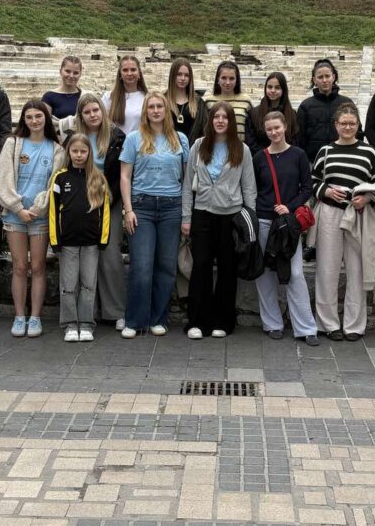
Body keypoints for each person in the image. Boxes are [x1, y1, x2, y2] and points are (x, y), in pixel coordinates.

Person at [311, 102, 375, 341]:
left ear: (358, 125)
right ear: (336, 125)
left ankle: (354, 326)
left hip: (358, 215)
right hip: (330, 213)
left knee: (356, 270)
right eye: (343, 123)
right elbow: (312, 181)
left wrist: (366, 198)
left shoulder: (368, 152)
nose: (347, 127)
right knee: (327, 269)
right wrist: (325, 191)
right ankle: (328, 324)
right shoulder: (325, 151)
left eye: (351, 123)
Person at [182, 101, 256, 339]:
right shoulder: (198, 146)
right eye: (216, 117)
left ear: (231, 121)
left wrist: (249, 221)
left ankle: (223, 321)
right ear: (210, 120)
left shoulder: (241, 149)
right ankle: (197, 321)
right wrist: (186, 217)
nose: (220, 121)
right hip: (203, 213)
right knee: (201, 266)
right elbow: (186, 185)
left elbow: (249, 188)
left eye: (225, 117)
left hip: (230, 216)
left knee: (227, 269)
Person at [119, 91, 189, 338]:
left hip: (171, 206)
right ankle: (135, 320)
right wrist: (128, 210)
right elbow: (125, 176)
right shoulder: (134, 138)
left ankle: (158, 318)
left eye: (160, 106)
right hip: (142, 207)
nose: (156, 110)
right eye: (152, 107)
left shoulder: (179, 139)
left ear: (166, 110)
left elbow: (186, 177)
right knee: (141, 264)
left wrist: (186, 213)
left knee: (167, 265)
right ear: (145, 111)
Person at [0, 100, 63, 338]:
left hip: (40, 216)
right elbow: (2, 178)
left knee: (38, 266)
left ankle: (35, 317)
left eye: (38, 116)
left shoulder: (56, 148)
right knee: (20, 266)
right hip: (15, 215)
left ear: (46, 118)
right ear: (23, 120)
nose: (34, 121)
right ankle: (19, 315)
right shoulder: (13, 144)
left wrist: (37, 208)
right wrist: (17, 206)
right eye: (29, 117)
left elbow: (53, 182)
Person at [252, 111, 318, 345]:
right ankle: (272, 324)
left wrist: (289, 207)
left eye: (277, 128)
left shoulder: (298, 155)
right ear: (265, 131)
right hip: (264, 220)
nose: (274, 132)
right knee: (266, 274)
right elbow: (255, 189)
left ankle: (306, 327)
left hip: (288, 224)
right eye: (269, 129)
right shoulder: (259, 157)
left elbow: (307, 188)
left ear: (285, 127)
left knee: (296, 274)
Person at [71, 93, 128, 330]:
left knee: (110, 253)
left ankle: (115, 310)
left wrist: (109, 198)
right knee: (83, 253)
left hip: (109, 200)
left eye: (96, 110)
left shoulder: (117, 136)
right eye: (87, 112)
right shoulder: (74, 138)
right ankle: (86, 311)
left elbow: (120, 173)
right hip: (80, 202)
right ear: (81, 116)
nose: (92, 115)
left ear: (102, 112)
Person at [49, 133, 111, 343]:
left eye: (83, 151)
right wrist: (54, 240)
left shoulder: (98, 178)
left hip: (91, 242)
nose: (78, 155)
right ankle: (69, 324)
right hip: (67, 243)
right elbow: (53, 211)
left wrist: (103, 238)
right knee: (68, 285)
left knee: (88, 284)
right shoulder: (60, 178)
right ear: (68, 152)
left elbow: (105, 213)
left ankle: (86, 324)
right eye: (74, 151)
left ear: (89, 153)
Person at [296, 59, 352, 163]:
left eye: (327, 76)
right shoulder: (305, 106)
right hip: (313, 162)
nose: (324, 80)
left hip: (343, 159)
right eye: (320, 77)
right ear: (314, 80)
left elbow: (357, 132)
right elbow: (299, 138)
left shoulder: (346, 103)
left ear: (333, 77)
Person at [247, 71, 298, 154]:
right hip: (262, 159)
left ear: (283, 90)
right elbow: (251, 142)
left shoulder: (292, 114)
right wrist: (266, 155)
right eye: (270, 87)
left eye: (277, 88)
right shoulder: (253, 114)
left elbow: (295, 140)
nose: (273, 91)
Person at [204, 61, 254, 142]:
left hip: (240, 148)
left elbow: (251, 129)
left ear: (237, 80)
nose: (227, 82)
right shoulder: (208, 101)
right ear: (218, 79)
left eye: (231, 78)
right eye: (224, 78)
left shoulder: (246, 101)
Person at [103, 55, 149, 135]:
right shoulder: (109, 97)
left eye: (133, 70)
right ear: (120, 74)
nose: (129, 73)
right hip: (116, 145)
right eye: (125, 70)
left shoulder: (147, 97)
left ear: (139, 73)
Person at [166, 57, 207, 142]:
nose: (183, 78)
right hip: (167, 152)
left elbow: (205, 130)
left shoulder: (199, 103)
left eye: (186, 75)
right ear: (172, 75)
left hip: (192, 151)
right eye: (179, 74)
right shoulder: (163, 100)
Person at [42, 55, 84, 120]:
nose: (71, 76)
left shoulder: (84, 96)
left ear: (80, 74)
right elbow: (46, 124)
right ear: (60, 71)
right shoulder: (48, 97)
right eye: (67, 71)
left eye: (76, 73)